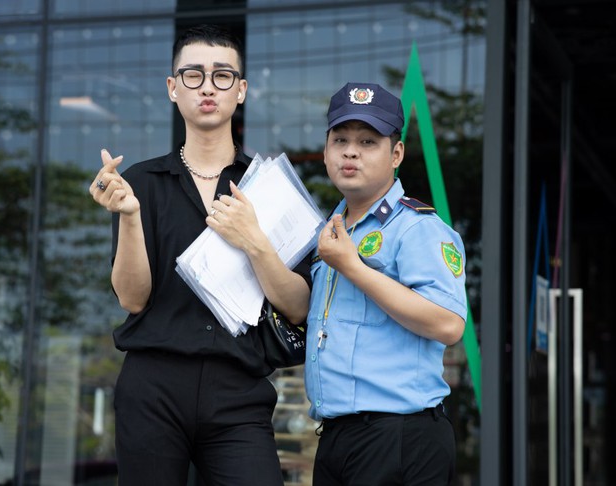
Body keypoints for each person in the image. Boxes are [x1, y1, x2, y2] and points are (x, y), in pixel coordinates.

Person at [88, 24, 310, 486]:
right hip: (153, 385)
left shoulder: (268, 188)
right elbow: (132, 299)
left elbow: (298, 306)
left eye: (222, 75)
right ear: (173, 88)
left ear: (241, 90)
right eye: (193, 75)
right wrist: (130, 215)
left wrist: (254, 241)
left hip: (238, 389)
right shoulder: (141, 184)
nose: (208, 87)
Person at [304, 82, 468, 485]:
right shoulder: (329, 233)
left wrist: (354, 267)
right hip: (337, 436)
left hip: (399, 436)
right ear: (325, 151)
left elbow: (448, 324)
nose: (351, 152)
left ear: (396, 154)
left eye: (367, 141)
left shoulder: (417, 228)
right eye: (340, 140)